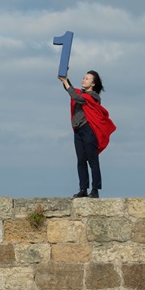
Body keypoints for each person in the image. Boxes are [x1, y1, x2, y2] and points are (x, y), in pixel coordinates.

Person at [58, 70, 116, 198]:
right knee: (81, 160)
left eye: (87, 79)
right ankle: (83, 188)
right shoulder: (80, 93)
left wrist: (65, 82)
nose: (84, 80)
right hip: (78, 130)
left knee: (93, 161)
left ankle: (95, 189)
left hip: (89, 130)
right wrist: (64, 79)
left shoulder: (93, 96)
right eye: (83, 78)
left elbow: (76, 97)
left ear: (93, 84)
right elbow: (72, 91)